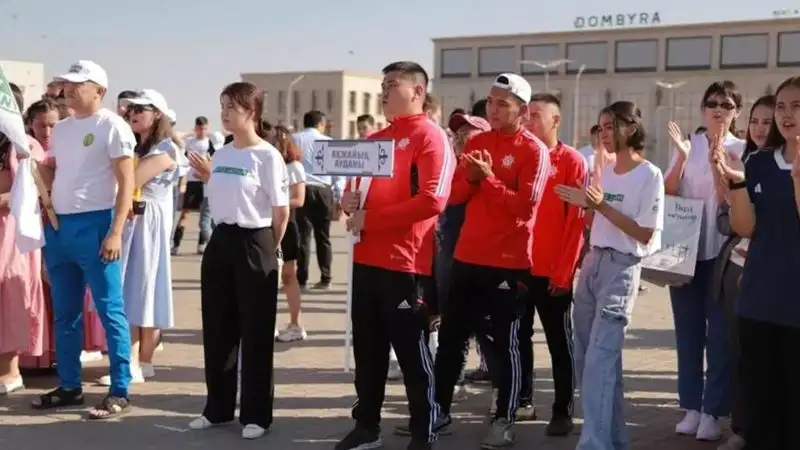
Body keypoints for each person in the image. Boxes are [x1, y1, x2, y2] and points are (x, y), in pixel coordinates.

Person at [336, 61, 454, 450]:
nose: (383, 91)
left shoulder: (430, 138)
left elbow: (433, 200)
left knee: (412, 357)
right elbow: (354, 196)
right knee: (368, 352)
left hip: (406, 264)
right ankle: (366, 425)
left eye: (392, 84)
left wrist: (374, 217)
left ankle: (424, 430)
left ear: (418, 92)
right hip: (365, 261)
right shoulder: (376, 140)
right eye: (382, 85)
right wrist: (349, 202)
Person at [434, 73, 549, 449]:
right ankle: (439, 410)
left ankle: (505, 417)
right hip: (467, 258)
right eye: (490, 101)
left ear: (523, 110)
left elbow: (525, 206)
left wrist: (489, 180)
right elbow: (454, 197)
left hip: (508, 264)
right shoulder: (479, 141)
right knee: (451, 338)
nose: (493, 109)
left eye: (502, 103)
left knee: (506, 345)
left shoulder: (533, 150)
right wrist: (470, 179)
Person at [556, 100, 665, 449]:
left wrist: (601, 204)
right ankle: (614, 440)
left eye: (609, 126)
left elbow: (645, 233)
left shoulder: (649, 175)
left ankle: (594, 443)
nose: (603, 134)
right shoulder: (602, 170)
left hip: (621, 268)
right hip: (593, 264)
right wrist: (588, 206)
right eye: (600, 127)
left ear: (630, 128)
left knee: (599, 363)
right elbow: (595, 221)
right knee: (593, 360)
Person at [31, 60, 136, 419]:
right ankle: (69, 385)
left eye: (79, 84)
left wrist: (115, 232)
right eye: (68, 84)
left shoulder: (113, 127)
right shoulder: (60, 130)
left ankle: (120, 388)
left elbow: (127, 184)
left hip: (97, 226)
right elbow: (55, 172)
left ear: (100, 91)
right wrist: (28, 157)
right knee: (66, 314)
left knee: (110, 310)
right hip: (60, 227)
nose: (71, 90)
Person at [186, 82, 289, 440]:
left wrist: (269, 250)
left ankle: (257, 415)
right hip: (221, 242)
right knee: (218, 330)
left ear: (252, 111)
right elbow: (217, 199)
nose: (225, 113)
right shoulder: (224, 153)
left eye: (232, 106)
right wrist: (207, 176)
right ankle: (217, 409)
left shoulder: (268, 156)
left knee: (257, 332)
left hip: (255, 241)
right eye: (222, 106)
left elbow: (281, 212)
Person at [719, 76, 800, 450]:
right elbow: (745, 228)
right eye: (781, 106)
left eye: (796, 107)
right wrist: (736, 184)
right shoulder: (760, 161)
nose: (786, 115)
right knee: (762, 414)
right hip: (758, 303)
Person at [664, 81, 745, 441]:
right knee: (688, 332)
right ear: (702, 109)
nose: (718, 109)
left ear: (736, 112)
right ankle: (692, 407)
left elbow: (734, 202)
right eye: (711, 103)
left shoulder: (742, 149)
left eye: (726, 105)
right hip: (685, 252)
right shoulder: (690, 145)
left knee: (720, 337)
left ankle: (713, 410)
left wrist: (719, 166)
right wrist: (681, 157)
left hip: (722, 254)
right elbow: (667, 190)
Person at [94, 90, 179, 386]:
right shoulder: (138, 144)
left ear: (157, 113)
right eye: (130, 109)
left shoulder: (166, 148)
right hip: (133, 219)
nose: (132, 113)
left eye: (140, 109)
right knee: (136, 287)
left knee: (137, 288)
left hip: (146, 222)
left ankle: (133, 363)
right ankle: (140, 360)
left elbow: (133, 180)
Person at [519, 93, 587, 433]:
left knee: (560, 341)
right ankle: (522, 401)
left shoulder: (572, 161)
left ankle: (562, 410)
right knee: (518, 338)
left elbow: (576, 224)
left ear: (555, 120)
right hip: (520, 268)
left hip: (552, 272)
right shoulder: (523, 156)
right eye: (526, 115)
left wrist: (564, 272)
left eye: (535, 115)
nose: (528, 120)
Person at [712, 94, 773, 450]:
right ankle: (742, 427)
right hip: (738, 271)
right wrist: (729, 190)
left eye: (769, 120)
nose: (762, 128)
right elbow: (724, 223)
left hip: (775, 274)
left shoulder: (787, 165)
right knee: (740, 353)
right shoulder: (741, 161)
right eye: (756, 121)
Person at [0, 86, 46, 395]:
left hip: (11, 232)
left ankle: (9, 371)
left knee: (9, 294)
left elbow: (26, 194)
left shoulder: (25, 146)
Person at [293, 110, 343, 290]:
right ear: (321, 124)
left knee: (303, 237)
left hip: (301, 189)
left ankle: (302, 280)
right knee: (323, 236)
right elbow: (338, 173)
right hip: (323, 191)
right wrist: (338, 196)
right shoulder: (329, 142)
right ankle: (325, 277)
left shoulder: (293, 139)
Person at [271, 125, 308, 342]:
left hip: (287, 225)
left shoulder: (294, 166)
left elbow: (299, 199)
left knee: (288, 275)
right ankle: (268, 323)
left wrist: (274, 204)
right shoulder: (266, 163)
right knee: (269, 276)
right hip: (266, 225)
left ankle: (295, 324)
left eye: (277, 140)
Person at [173, 116, 214, 255]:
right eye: (199, 128)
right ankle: (176, 244)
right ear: (195, 128)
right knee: (185, 213)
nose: (202, 131)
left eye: (204, 129)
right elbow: (177, 139)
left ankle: (202, 244)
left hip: (206, 182)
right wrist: (190, 133)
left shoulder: (210, 143)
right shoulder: (189, 143)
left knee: (205, 216)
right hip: (192, 182)